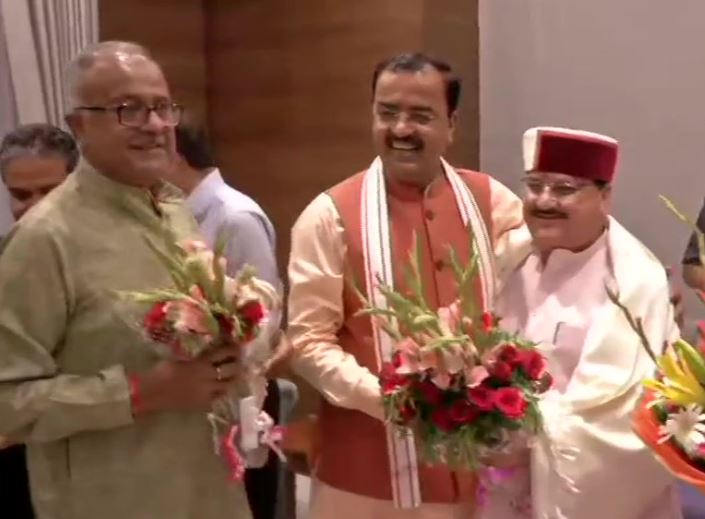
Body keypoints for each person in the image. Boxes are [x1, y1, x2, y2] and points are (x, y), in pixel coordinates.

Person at [0, 41, 252, 519]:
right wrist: (138, 393)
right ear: (80, 126)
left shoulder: (173, 209)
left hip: (209, 488)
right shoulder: (45, 238)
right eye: (128, 110)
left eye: (161, 108)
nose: (155, 125)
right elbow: (7, 400)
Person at [286, 52, 525, 518]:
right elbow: (307, 341)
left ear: (451, 124)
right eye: (387, 112)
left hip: (476, 471)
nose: (400, 129)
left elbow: (538, 289)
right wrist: (388, 399)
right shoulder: (329, 216)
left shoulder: (492, 201)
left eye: (420, 115)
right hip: (364, 479)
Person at [492, 126, 682, 518]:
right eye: (535, 185)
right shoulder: (508, 261)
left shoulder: (634, 284)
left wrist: (523, 426)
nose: (545, 201)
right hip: (501, 488)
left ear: (605, 196)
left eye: (564, 189)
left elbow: (624, 414)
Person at [170, 119, 297, 519]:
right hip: (205, 394)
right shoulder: (178, 215)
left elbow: (261, 318)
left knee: (248, 507)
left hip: (245, 394)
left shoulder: (235, 216)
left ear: (174, 157)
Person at [0, 123, 79, 518]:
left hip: (84, 455)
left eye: (50, 192)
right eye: (20, 194)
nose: (35, 206)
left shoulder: (105, 261)